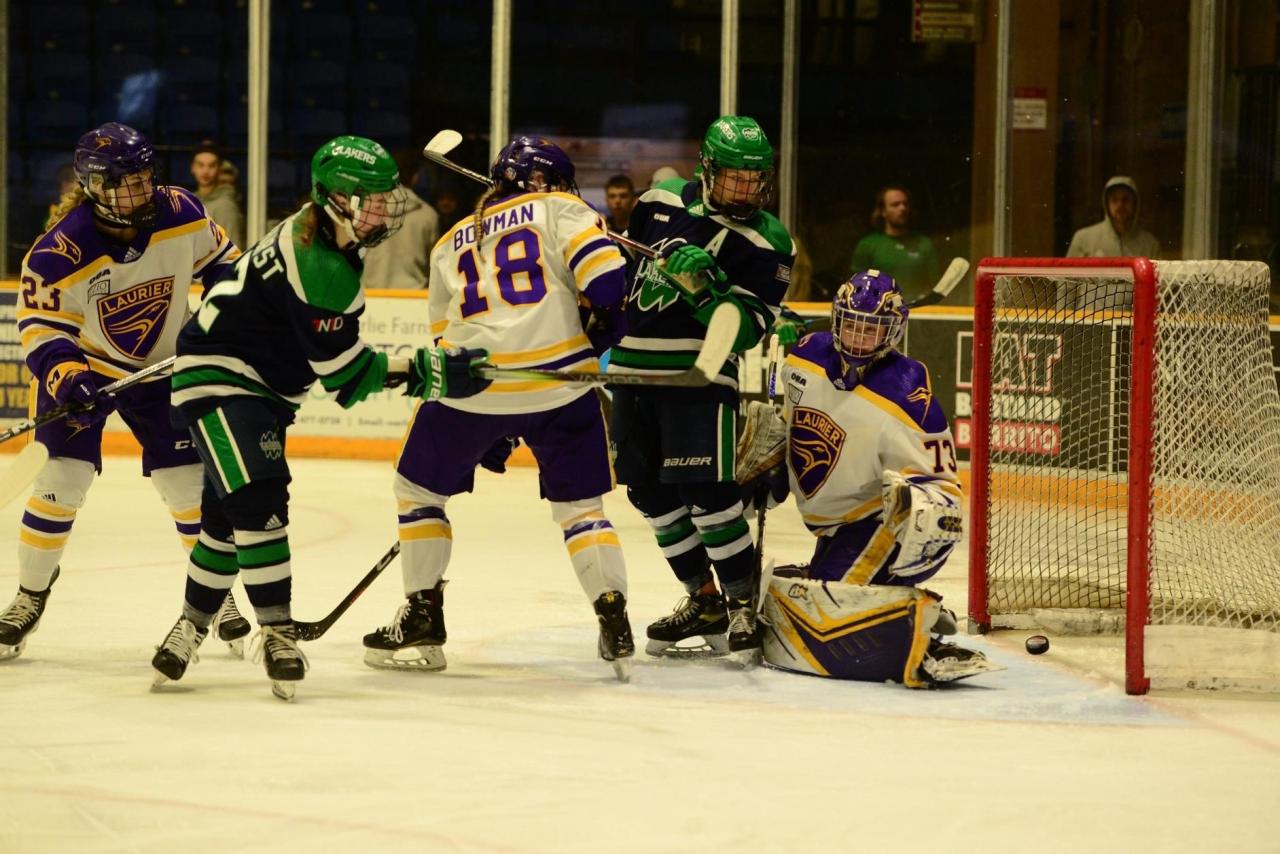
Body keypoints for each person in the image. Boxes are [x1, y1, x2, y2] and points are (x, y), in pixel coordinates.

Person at [152, 135, 491, 700]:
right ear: (337, 199)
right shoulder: (320, 263)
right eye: (374, 200)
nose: (386, 210)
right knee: (260, 502)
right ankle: (278, 632)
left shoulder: (323, 243)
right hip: (221, 381)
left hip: (251, 388)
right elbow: (347, 378)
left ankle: (188, 625)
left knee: (224, 520)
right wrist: (433, 373)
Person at [362, 136, 636, 680]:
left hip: (476, 385)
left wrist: (497, 422)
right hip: (562, 380)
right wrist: (606, 322)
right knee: (582, 509)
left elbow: (446, 340)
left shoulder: (449, 242)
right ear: (551, 183)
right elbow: (606, 284)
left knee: (418, 492)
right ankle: (613, 614)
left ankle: (422, 613)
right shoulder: (565, 209)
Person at [0, 122, 245, 662]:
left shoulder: (181, 211)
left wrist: (224, 319)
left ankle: (215, 594)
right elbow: (41, 327)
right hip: (87, 371)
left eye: (143, 177)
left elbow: (229, 268)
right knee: (61, 483)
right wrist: (67, 375)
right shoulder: (57, 251)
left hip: (162, 371)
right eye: (124, 182)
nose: (140, 190)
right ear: (93, 186)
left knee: (188, 488)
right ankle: (28, 595)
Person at [746, 270, 998, 685]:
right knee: (788, 594)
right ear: (836, 318)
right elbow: (792, 427)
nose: (859, 337)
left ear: (893, 331)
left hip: (876, 525)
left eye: (871, 328)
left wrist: (916, 511)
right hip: (831, 527)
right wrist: (774, 464)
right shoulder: (805, 356)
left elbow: (942, 489)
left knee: (828, 616)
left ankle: (919, 620)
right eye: (851, 324)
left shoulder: (908, 396)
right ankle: (892, 602)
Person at [609, 115, 796, 660]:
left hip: (699, 374)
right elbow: (623, 273)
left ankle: (742, 607)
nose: (746, 188)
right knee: (648, 494)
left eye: (754, 178)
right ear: (706, 169)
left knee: (708, 496)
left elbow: (749, 327)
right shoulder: (657, 202)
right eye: (734, 177)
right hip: (631, 370)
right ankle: (705, 599)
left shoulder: (769, 239)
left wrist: (705, 289)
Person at [361, 148, 441, 289]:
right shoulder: (429, 215)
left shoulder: (365, 210)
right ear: (415, 176)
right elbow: (435, 267)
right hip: (414, 299)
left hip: (371, 298)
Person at [849, 186, 939, 304]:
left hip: (918, 313)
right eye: (895, 205)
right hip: (880, 316)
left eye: (905, 204)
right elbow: (856, 288)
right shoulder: (867, 245)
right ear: (882, 212)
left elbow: (933, 286)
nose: (902, 208)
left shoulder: (923, 244)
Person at [190, 142, 246, 250]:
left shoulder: (226, 206)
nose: (205, 171)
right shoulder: (188, 201)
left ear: (219, 169)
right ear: (193, 168)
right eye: (201, 165)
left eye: (211, 166)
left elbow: (232, 252)